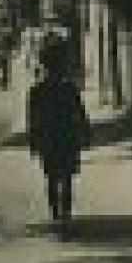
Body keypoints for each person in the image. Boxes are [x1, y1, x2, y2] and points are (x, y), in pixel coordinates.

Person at [26, 35, 92, 232]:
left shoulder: (37, 90)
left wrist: (34, 141)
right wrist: (85, 133)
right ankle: (65, 215)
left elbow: (33, 120)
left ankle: (57, 216)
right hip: (66, 135)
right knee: (66, 177)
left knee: (53, 177)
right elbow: (80, 113)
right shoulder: (68, 88)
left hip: (49, 136)